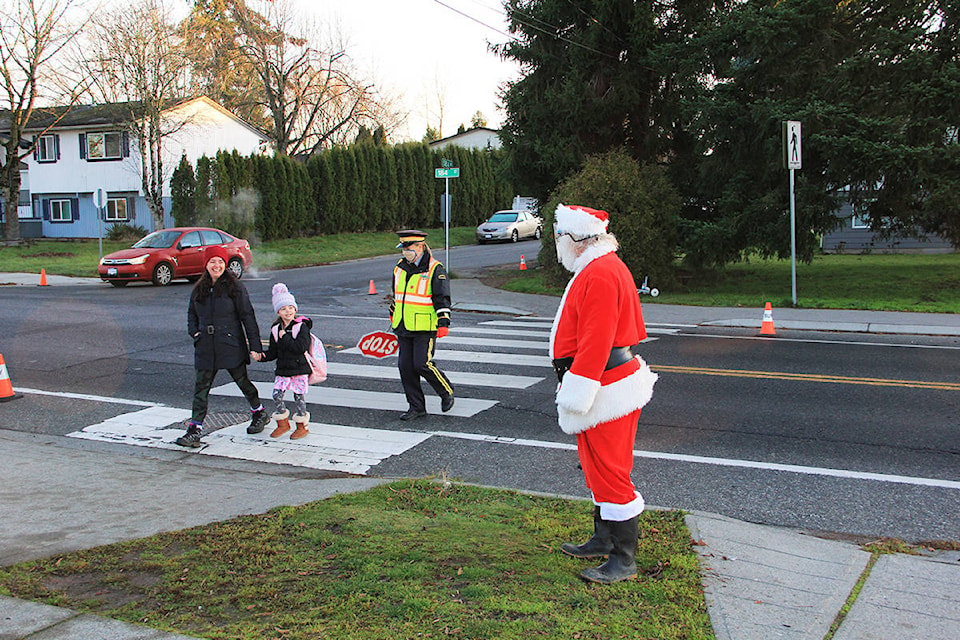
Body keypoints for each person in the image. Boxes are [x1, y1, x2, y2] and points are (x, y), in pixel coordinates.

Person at [550, 203, 658, 584]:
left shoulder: (600, 273)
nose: (558, 241)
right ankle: (603, 538)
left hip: (603, 384)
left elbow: (596, 340)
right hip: (601, 380)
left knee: (611, 471)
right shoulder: (599, 267)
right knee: (596, 467)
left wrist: (578, 390)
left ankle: (623, 558)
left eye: (561, 234)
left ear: (579, 238)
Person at [175, 245, 270, 447]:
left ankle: (259, 412)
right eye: (212, 262)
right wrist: (195, 332)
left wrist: (255, 346)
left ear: (225, 264)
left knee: (242, 381)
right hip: (206, 347)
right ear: (206, 265)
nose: (216, 265)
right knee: (201, 388)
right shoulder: (199, 288)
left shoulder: (234, 287)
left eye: (220, 261)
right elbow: (191, 313)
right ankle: (195, 428)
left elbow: (247, 316)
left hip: (229, 342)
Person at [390, 229, 454, 420]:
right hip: (403, 325)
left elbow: (442, 298)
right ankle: (416, 407)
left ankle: (445, 391)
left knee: (422, 364)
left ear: (420, 246)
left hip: (425, 326)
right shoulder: (399, 267)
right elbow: (397, 296)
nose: (405, 251)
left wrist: (443, 322)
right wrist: (393, 314)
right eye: (403, 247)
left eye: (408, 247)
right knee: (405, 367)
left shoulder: (435, 269)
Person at [251, 283, 312, 440]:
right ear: (278, 311)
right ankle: (283, 423)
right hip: (283, 368)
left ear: (295, 309)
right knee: (277, 395)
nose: (288, 312)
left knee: (299, 398)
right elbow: (274, 352)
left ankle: (301, 425)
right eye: (284, 309)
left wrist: (285, 337)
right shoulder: (275, 329)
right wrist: (262, 357)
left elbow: (301, 347)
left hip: (299, 367)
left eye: (291, 308)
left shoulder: (301, 327)